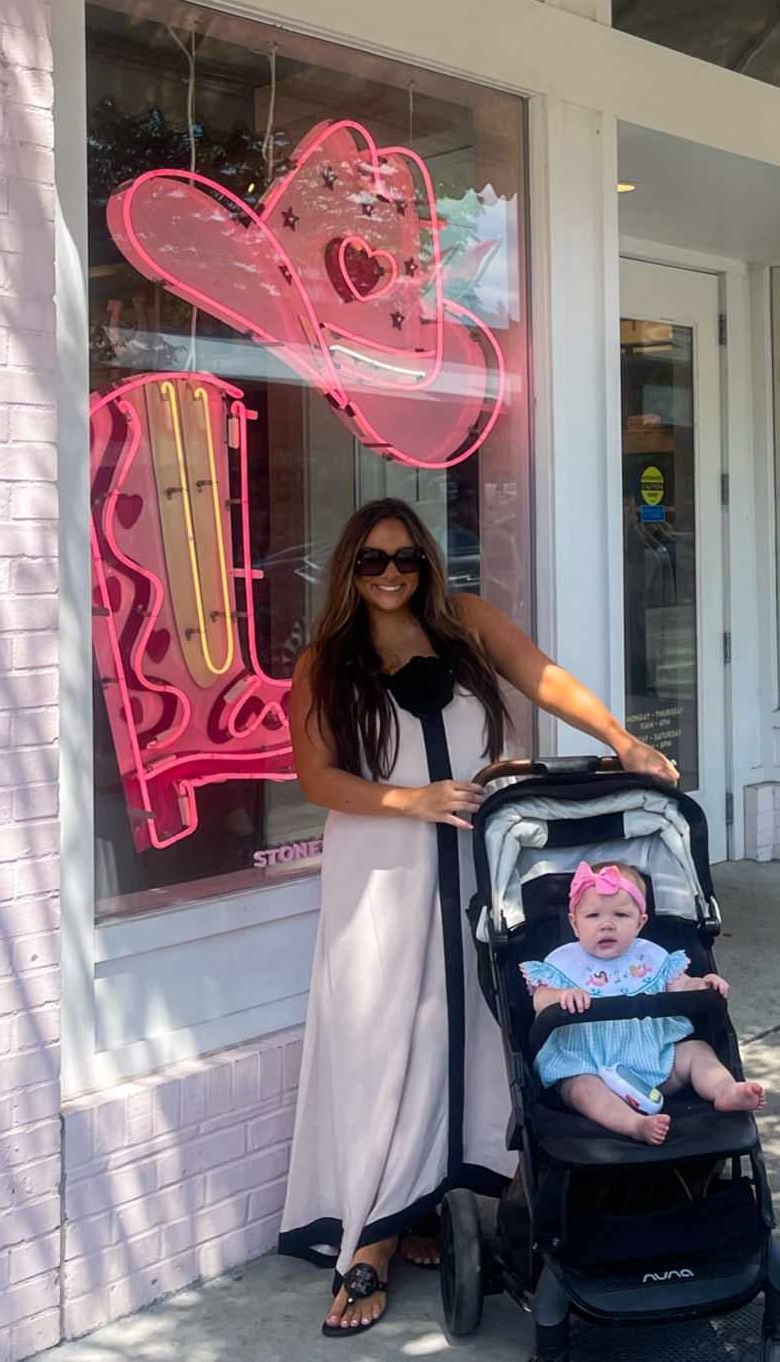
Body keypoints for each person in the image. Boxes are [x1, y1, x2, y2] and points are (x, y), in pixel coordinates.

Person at [278, 499, 676, 1336]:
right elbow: (316, 779)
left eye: (407, 559)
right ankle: (373, 1232)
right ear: (348, 569)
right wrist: (409, 799)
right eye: (372, 561)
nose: (391, 573)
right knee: (387, 1033)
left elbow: (544, 676)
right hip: (381, 868)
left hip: (481, 855)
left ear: (426, 561)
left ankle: (436, 1196)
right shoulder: (326, 660)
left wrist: (624, 739)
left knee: (483, 1023)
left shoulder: (464, 621)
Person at [520, 860, 765, 1146]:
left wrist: (702, 985)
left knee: (697, 1050)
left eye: (621, 915)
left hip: (653, 1059)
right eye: (593, 915)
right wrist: (560, 997)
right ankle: (634, 1124)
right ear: (574, 922)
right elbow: (539, 999)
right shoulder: (562, 963)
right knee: (581, 1089)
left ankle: (725, 1089)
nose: (606, 924)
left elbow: (680, 985)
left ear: (640, 922)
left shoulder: (651, 957)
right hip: (587, 1062)